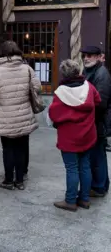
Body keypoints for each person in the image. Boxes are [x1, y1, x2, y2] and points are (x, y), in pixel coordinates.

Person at [0, 41, 41, 190]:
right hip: (24, 115)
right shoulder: (27, 69)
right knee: (21, 148)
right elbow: (37, 88)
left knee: (7, 148)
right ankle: (20, 181)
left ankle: (8, 180)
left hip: (5, 116)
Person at [49, 59, 101, 212]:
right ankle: (84, 199)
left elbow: (54, 114)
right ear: (78, 72)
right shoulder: (89, 87)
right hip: (88, 134)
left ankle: (70, 201)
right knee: (85, 166)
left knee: (72, 168)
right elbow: (97, 100)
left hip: (69, 137)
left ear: (63, 74)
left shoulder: (60, 92)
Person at [81, 46, 111, 197]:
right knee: (96, 155)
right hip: (93, 121)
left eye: (90, 55)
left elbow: (101, 103)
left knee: (97, 155)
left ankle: (99, 187)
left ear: (100, 57)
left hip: (97, 121)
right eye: (85, 55)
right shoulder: (89, 71)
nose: (86, 58)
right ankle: (101, 185)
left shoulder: (101, 74)